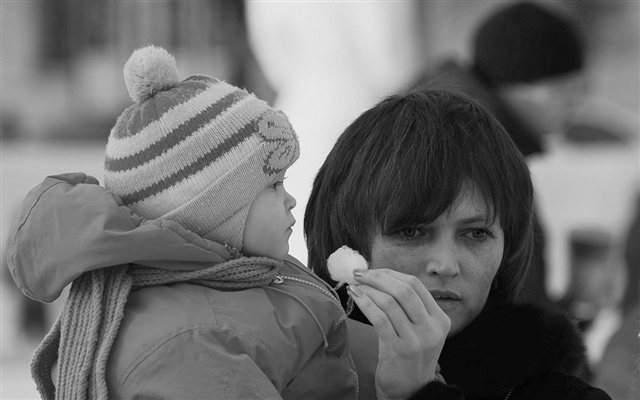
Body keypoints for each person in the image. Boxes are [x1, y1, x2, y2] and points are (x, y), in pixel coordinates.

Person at [4, 45, 435, 400]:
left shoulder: (240, 272)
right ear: (211, 210)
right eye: (273, 185)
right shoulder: (196, 343)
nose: (290, 199)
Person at [304, 88, 612, 399]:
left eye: (476, 234)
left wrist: (419, 394)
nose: (446, 265)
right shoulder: (288, 368)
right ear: (347, 246)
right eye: (411, 232)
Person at [412, 1, 588, 309]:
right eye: (567, 88)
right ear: (521, 85)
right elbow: (503, 305)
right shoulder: (469, 153)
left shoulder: (450, 133)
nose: (578, 102)